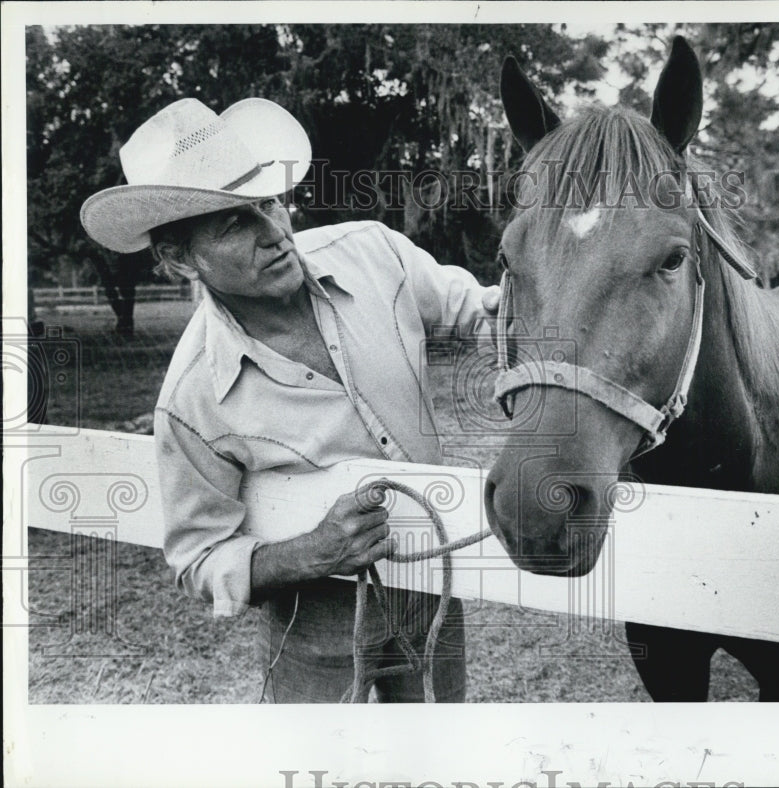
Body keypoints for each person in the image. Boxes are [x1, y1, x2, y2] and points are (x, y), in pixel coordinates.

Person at [80, 97, 500, 702]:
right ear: (179, 259)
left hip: (433, 595)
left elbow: (477, 310)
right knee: (313, 752)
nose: (275, 233)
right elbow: (199, 560)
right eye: (234, 224)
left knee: (437, 743)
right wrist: (310, 554)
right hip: (313, 629)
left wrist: (526, 312)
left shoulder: (374, 253)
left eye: (270, 202)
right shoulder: (192, 399)